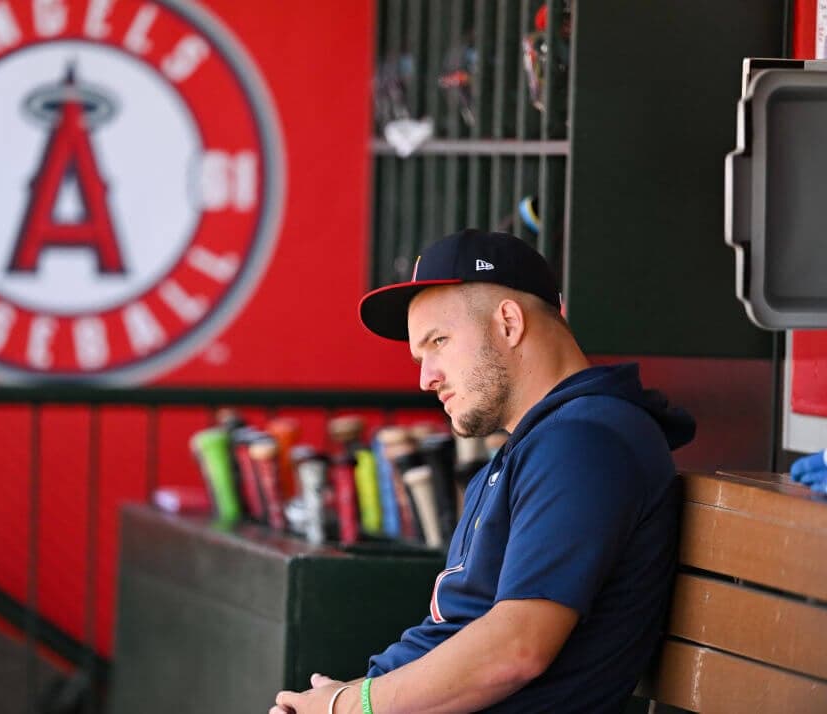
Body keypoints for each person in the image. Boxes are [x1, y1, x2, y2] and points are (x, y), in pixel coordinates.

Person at [271, 229, 695, 714]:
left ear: (509, 324)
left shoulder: (584, 441)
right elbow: (462, 627)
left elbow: (516, 650)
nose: (425, 378)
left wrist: (350, 707)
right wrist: (342, 697)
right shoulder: (543, 441)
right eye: (420, 355)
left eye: (439, 341)